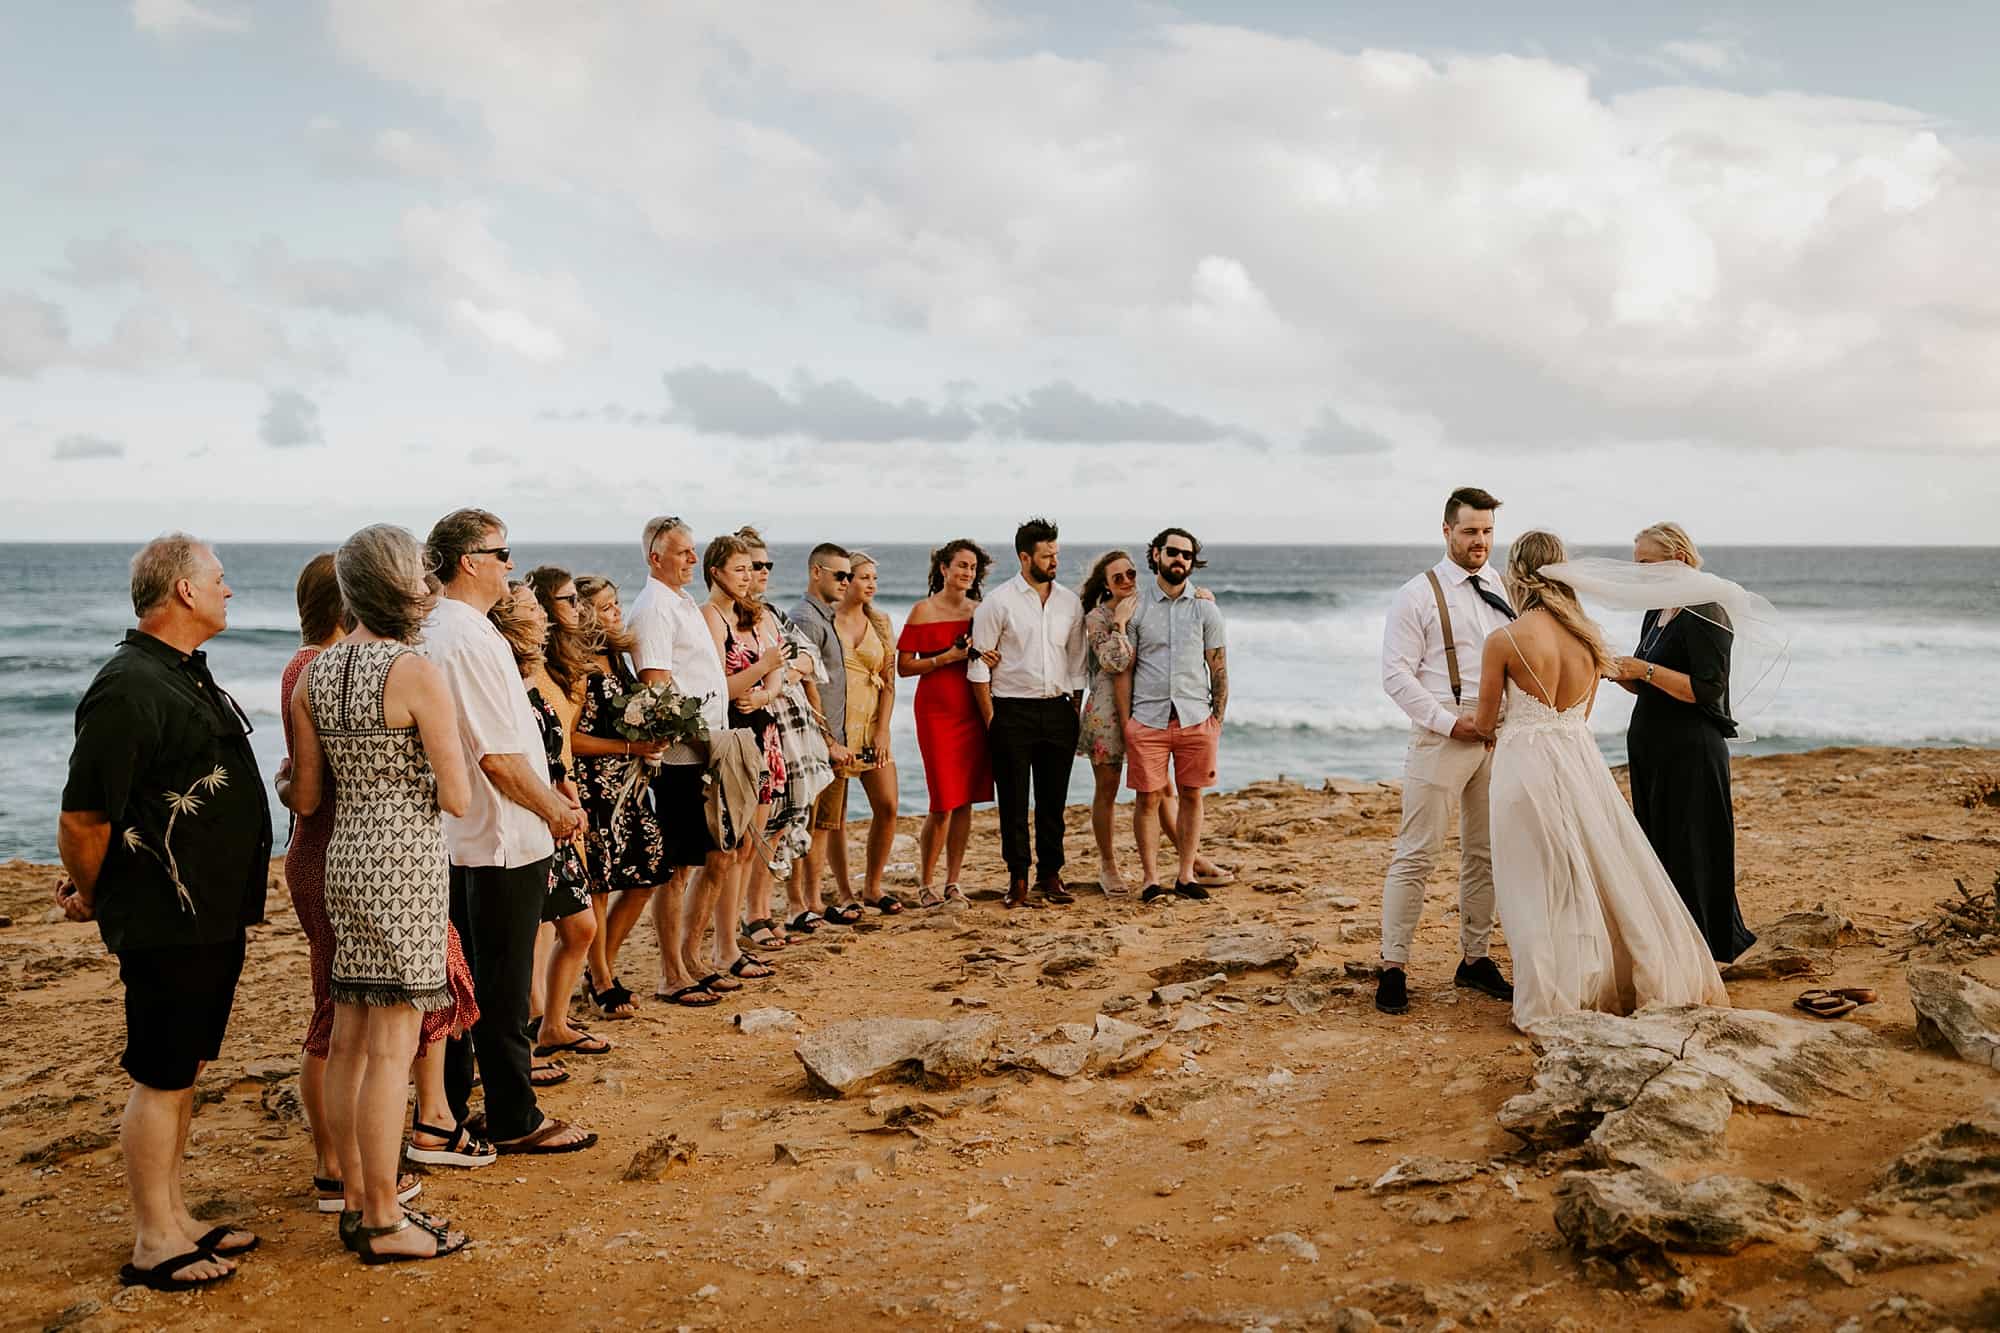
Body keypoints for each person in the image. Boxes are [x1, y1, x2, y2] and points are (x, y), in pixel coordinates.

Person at [57, 534, 272, 1291]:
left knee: (184, 1067)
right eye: (219, 579)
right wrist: (92, 890)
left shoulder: (179, 672)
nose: (230, 590)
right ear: (183, 590)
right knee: (160, 1071)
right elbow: (84, 817)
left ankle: (176, 1216)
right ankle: (153, 1239)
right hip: (165, 916)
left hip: (207, 915)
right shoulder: (127, 685)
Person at [287, 525, 475, 1262]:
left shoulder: (315, 675)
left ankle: (354, 1195)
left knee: (350, 1042)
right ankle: (384, 1218)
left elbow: (305, 796)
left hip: (344, 863)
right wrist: (417, 778)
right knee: (392, 1051)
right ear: (406, 582)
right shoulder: (415, 672)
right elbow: (456, 795)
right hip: (404, 868)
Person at [1473, 530, 1730, 1030]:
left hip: (1525, 763)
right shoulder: (1589, 638)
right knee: (1589, 872)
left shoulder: (1503, 640)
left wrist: (1482, 730)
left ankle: (1551, 992)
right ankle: (1602, 977)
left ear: (1516, 575)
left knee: (1532, 880)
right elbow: (1579, 715)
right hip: (1579, 762)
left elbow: (1486, 723)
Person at [422, 508, 595, 1155]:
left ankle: (459, 1106)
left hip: (474, 835)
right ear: (469, 560)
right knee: (499, 986)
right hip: (497, 838)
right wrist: (555, 809)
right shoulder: (461, 636)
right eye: (502, 552)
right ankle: (514, 1116)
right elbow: (494, 755)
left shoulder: (451, 630)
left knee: (474, 985)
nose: (511, 564)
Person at [1375, 487, 1517, 1015]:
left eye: (1487, 532)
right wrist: (1446, 722)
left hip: (1498, 741)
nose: (1480, 542)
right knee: (1417, 854)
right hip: (1441, 740)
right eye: (1470, 532)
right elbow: (1395, 675)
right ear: (1446, 531)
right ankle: (1393, 966)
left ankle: (1474, 959)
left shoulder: (1502, 587)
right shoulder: (1417, 593)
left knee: (1484, 854)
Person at [1605, 523, 1756, 963]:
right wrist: (1619, 672)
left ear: (1681, 560)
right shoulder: (1655, 611)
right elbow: (1648, 683)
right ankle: (1670, 936)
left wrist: (1643, 670)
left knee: (1693, 843)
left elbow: (1706, 689)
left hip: (1691, 746)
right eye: (1638, 565)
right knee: (1659, 841)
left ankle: (1705, 941)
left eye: (1647, 564)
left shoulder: (1705, 609)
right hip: (1652, 743)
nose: (1640, 574)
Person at [490, 582, 606, 1066]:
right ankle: (526, 1031)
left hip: (554, 812)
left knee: (580, 927)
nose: (542, 614)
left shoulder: (533, 673)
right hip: (522, 818)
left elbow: (550, 751)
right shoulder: (496, 673)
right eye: (531, 607)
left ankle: (554, 1024)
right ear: (508, 618)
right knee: (524, 942)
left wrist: (568, 797)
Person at [1075, 550, 1232, 897]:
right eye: (1118, 578)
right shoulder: (1099, 618)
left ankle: (1191, 863)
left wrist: (1203, 597)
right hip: (1109, 714)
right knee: (1108, 791)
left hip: (1148, 710)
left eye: (1131, 574)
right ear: (1105, 584)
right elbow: (1115, 663)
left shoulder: (1142, 606)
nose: (1127, 581)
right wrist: (1118, 623)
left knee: (1165, 791)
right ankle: (1109, 866)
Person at [627, 516, 733, 1004]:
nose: (695, 559)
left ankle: (690, 958)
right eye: (684, 552)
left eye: (694, 551)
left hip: (704, 749)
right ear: (656, 557)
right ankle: (671, 973)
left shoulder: (682, 601)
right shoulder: (653, 608)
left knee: (705, 858)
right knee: (673, 868)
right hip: (677, 758)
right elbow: (655, 684)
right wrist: (695, 736)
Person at [569, 574, 675, 1014]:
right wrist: (628, 746)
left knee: (650, 871)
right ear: (586, 614)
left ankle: (600, 966)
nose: (617, 612)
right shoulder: (577, 666)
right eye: (608, 606)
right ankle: (601, 975)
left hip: (630, 787)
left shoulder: (617, 657)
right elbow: (569, 738)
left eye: (617, 603)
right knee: (600, 882)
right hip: (594, 788)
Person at [968, 517, 1086, 909]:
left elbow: (1076, 662)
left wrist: (1075, 709)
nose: (1054, 561)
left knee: (1053, 801)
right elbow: (979, 665)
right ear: (1024, 557)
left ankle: (1050, 874)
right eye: (1047, 555)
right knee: (1014, 802)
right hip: (1011, 712)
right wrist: (991, 719)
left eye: (1056, 553)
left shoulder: (1069, 602)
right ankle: (1017, 878)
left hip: (1058, 711)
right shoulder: (997, 602)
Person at [1117, 528, 1229, 902]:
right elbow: (1124, 668)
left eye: (1187, 555)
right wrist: (1127, 723)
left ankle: (1184, 876)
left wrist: (1218, 720)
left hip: (1196, 718)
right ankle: (1151, 880)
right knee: (1147, 801)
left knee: (1192, 796)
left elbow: (1218, 667)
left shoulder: (1205, 608)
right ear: (1156, 555)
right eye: (1173, 552)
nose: (1180, 559)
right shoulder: (1137, 607)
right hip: (1147, 720)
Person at [736, 527, 833, 946]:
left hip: (792, 730)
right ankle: (750, 914)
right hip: (760, 727)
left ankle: (762, 908)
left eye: (766, 565)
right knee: (761, 825)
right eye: (754, 566)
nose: (762, 573)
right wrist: (778, 676)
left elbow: (810, 657)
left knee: (781, 825)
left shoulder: (772, 614)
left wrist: (786, 674)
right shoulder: (727, 619)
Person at [699, 533, 783, 980]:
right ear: (716, 572)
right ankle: (723, 946)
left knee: (751, 844)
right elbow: (716, 687)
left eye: (752, 569)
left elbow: (778, 676)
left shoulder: (753, 616)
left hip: (763, 732)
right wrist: (762, 669)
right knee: (729, 848)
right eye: (741, 569)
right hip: (732, 738)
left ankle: (732, 943)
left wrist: (766, 690)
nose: (750, 576)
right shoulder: (711, 618)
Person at [897, 539, 996, 906]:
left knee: (965, 801)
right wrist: (946, 657)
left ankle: (953, 882)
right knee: (942, 803)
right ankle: (925, 884)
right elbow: (904, 667)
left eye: (972, 568)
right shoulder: (923, 611)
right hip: (936, 711)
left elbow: (986, 659)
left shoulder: (980, 611)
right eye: (961, 566)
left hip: (972, 709)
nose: (967, 573)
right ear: (944, 569)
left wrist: (991, 657)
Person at [787, 544, 864, 926]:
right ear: (816, 572)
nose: (846, 582)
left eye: (850, 576)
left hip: (831, 739)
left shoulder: (825, 617)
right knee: (806, 825)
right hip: (816, 742)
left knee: (822, 827)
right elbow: (801, 686)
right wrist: (828, 740)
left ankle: (814, 901)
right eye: (840, 575)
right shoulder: (807, 618)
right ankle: (799, 905)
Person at [832, 551, 902, 913]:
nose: (872, 584)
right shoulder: (828, 621)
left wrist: (884, 730)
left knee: (888, 805)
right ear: (846, 580)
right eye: (864, 577)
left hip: (874, 729)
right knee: (836, 817)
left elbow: (889, 683)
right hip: (840, 729)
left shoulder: (882, 623)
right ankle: (844, 893)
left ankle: (873, 887)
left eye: (875, 578)